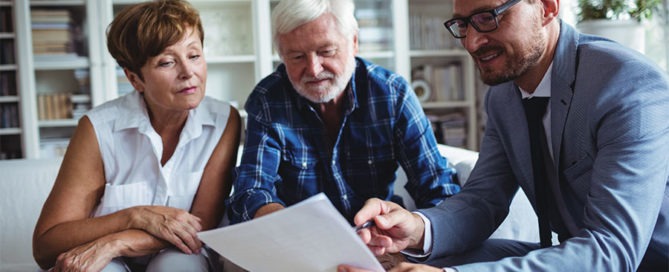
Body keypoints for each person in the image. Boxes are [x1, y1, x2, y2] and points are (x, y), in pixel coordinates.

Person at [339, 0, 669, 271]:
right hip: (571, 252)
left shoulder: (627, 84)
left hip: (645, 260)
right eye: (464, 24)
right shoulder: (502, 96)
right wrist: (416, 229)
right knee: (399, 262)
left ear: (548, 8)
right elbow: (483, 200)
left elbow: (614, 250)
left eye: (489, 17)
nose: (472, 42)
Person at [32, 1, 241, 271]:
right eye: (167, 62)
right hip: (109, 262)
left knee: (178, 265)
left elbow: (200, 226)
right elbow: (46, 246)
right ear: (134, 79)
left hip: (181, 251)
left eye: (194, 55)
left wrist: (116, 242)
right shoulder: (98, 128)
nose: (188, 73)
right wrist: (134, 216)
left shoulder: (224, 121)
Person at [227, 0, 460, 225]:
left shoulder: (392, 94)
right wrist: (286, 224)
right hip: (299, 239)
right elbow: (251, 190)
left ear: (354, 42)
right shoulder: (268, 99)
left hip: (377, 234)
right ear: (282, 56)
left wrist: (411, 239)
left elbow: (438, 187)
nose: (314, 69)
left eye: (326, 51)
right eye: (297, 56)